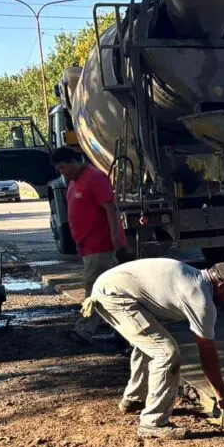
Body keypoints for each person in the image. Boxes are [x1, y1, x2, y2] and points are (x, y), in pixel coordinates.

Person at [83, 258, 224, 440]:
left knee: (150, 343)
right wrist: (222, 395)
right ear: (222, 287)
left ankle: (135, 399)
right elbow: (207, 356)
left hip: (112, 286)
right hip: (113, 295)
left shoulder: (194, 276)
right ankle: (153, 423)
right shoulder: (200, 300)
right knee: (167, 353)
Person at [51, 146, 129, 343]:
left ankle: (84, 330)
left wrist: (115, 237)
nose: (62, 173)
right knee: (111, 290)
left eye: (62, 168)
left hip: (100, 244)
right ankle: (123, 332)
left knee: (94, 288)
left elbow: (110, 208)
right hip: (87, 245)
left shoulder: (94, 178)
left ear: (74, 161)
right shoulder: (74, 181)